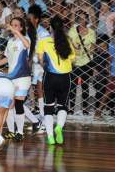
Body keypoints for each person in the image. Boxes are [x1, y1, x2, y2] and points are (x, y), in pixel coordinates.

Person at [0, 17, 35, 142]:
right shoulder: (10, 41)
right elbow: (6, 59)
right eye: (12, 25)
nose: (13, 27)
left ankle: (20, 132)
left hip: (23, 77)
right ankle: (12, 131)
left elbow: (27, 45)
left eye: (16, 25)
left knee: (18, 103)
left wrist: (16, 32)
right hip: (11, 77)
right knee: (9, 104)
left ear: (21, 28)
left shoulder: (24, 39)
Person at [36, 15, 75, 145]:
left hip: (50, 77)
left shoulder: (43, 41)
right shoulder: (67, 41)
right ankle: (59, 126)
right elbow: (73, 59)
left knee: (48, 107)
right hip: (65, 77)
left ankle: (50, 136)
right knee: (63, 105)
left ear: (50, 27)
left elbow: (41, 61)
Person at [68, 11, 96, 115]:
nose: (81, 20)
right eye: (79, 18)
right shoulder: (73, 30)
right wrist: (75, 48)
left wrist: (83, 51)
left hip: (86, 61)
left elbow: (93, 48)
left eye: (84, 18)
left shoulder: (91, 32)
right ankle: (70, 108)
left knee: (85, 85)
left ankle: (84, 108)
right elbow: (69, 43)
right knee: (72, 86)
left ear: (87, 19)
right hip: (74, 61)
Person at [27, 5, 50, 131]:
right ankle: (40, 117)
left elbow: (45, 52)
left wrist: (42, 63)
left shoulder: (44, 33)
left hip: (40, 65)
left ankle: (43, 118)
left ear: (36, 19)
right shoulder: (27, 31)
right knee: (35, 90)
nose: (28, 19)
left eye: (30, 17)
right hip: (30, 64)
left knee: (40, 90)